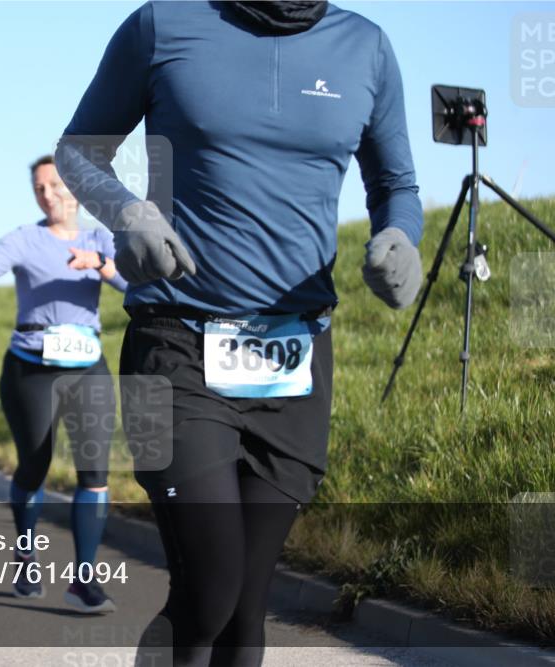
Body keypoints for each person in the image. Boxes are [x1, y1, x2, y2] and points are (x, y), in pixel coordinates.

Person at [56, 1, 424, 664]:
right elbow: (79, 153)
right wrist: (128, 214)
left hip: (296, 353)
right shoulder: (162, 25)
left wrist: (400, 238)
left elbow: (395, 181)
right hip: (172, 343)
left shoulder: (364, 46)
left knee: (245, 607)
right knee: (211, 590)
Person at [0, 155, 128, 613]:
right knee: (35, 467)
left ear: (75, 190)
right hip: (30, 368)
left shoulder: (98, 237)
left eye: (55, 186)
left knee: (95, 473)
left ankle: (84, 582)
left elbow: (132, 282)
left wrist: (102, 265)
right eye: (39, 189)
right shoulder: (26, 239)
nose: (48, 195)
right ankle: (27, 555)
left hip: (87, 365)